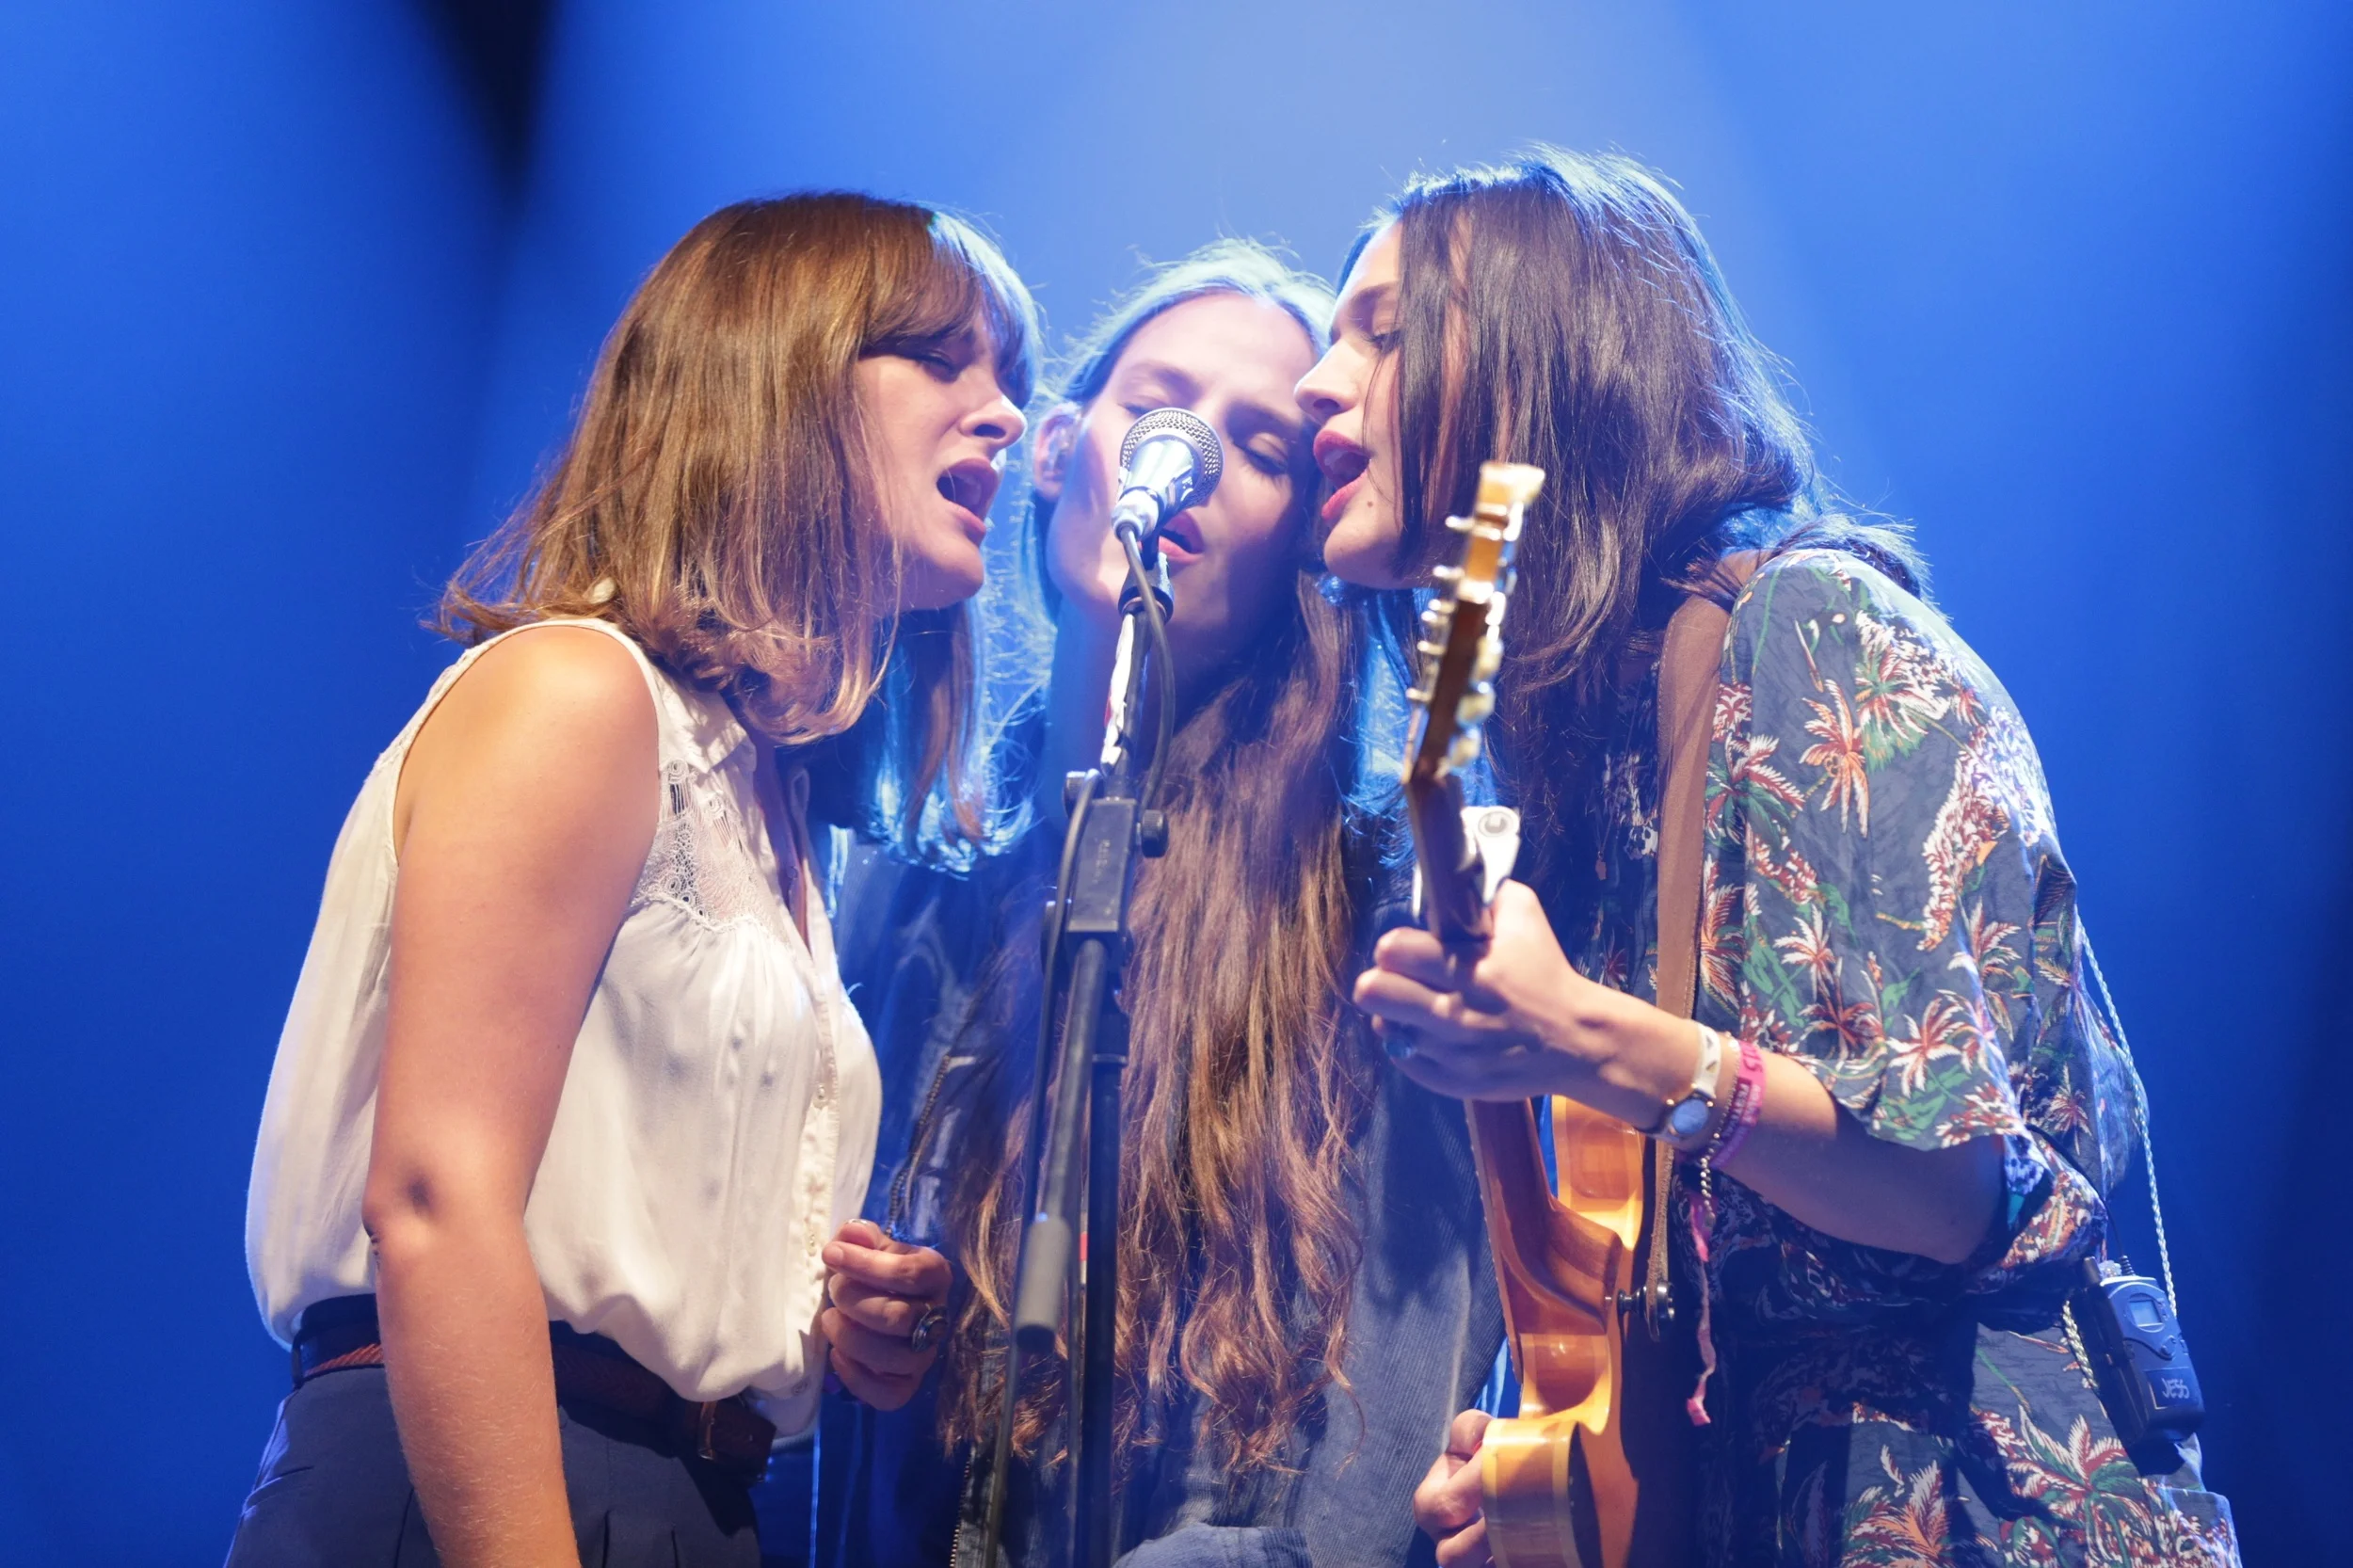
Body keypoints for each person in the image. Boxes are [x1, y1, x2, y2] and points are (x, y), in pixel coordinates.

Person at [1295, 149, 2241, 1566]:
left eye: (1382, 333)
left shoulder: (1810, 626)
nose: (1315, 384)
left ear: (1551, 357)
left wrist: (1583, 1034)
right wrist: (1561, 1473)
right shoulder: (1587, 769)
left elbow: (1947, 1183)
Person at [229, 191, 1033, 1568]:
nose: (1004, 414)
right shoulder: (579, 693)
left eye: (1009, 376)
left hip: (683, 1503)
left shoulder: (776, 810)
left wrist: (819, 1319)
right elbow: (435, 1202)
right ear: (777, 375)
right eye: (940, 358)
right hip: (479, 1481)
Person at [807, 241, 1504, 1568]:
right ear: (1057, 449)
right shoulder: (915, 895)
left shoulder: (1377, 912)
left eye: (1263, 445)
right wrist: (866, 1325)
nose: (1190, 454)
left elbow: (1395, 1415)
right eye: (1159, 404)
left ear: (1306, 540)